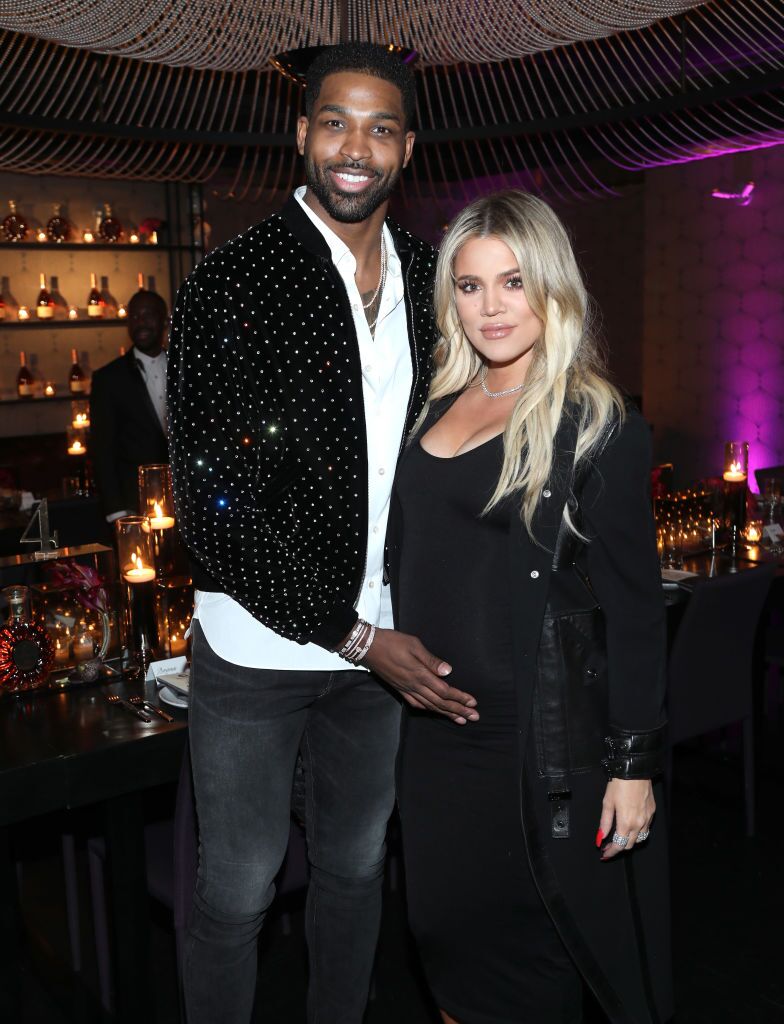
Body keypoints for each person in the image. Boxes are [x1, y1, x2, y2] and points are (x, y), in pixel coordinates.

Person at [167, 42, 477, 1024]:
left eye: (380, 127)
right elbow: (213, 513)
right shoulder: (233, 283)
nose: (356, 146)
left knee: (352, 870)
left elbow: (466, 448)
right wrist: (355, 636)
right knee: (240, 888)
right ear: (300, 134)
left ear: (407, 148)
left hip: (389, 646)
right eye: (334, 121)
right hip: (256, 650)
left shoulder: (435, 284)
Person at [388, 190, 672, 1024]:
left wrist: (632, 765)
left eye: (513, 282)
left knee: (534, 972)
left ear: (552, 287)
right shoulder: (431, 410)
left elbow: (636, 613)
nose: (491, 307)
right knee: (443, 948)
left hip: (536, 754)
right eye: (470, 287)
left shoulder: (597, 424)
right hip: (433, 748)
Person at [89, 288, 169, 521]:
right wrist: (117, 513)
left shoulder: (184, 370)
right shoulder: (109, 378)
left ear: (164, 320)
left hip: (188, 503)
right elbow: (103, 450)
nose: (140, 322)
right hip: (135, 505)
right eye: (134, 316)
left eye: (148, 315)